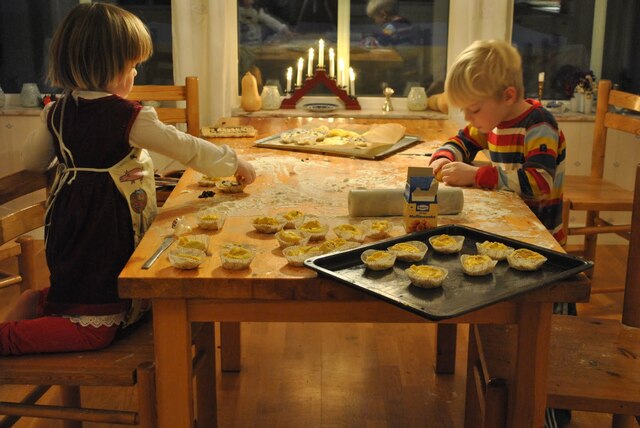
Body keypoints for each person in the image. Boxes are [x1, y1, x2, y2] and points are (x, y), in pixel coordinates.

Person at [1, 2, 256, 356]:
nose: (136, 74)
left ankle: (38, 303)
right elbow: (188, 148)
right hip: (104, 228)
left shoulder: (55, 111)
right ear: (110, 67)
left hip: (67, 224)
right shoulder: (131, 117)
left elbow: (33, 160)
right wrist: (234, 162)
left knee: (80, 285)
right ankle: (9, 337)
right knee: (95, 332)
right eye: (133, 66)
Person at [428, 39, 570, 428]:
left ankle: (551, 414)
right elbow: (462, 139)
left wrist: (478, 175)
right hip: (514, 234)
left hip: (547, 248)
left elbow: (539, 181)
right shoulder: (493, 120)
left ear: (508, 96)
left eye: (474, 108)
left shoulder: (538, 124)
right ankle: (505, 379)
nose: (470, 117)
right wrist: (445, 156)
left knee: (551, 346)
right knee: (509, 333)